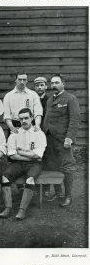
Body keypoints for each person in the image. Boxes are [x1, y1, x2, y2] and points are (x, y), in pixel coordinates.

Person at [0, 108, 47, 220]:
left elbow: (38, 155)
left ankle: (22, 210)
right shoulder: (15, 134)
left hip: (35, 164)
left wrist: (20, 151)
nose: (24, 120)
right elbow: (12, 155)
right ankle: (8, 208)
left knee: (30, 179)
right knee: (5, 177)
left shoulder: (39, 134)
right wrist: (28, 154)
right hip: (19, 163)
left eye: (26, 118)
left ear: (31, 118)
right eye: (21, 119)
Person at [43, 74, 80, 207]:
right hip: (49, 139)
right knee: (52, 166)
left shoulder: (70, 99)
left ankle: (68, 196)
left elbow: (74, 120)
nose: (54, 86)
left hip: (63, 140)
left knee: (66, 167)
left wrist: (69, 138)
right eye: (52, 83)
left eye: (57, 83)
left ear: (63, 84)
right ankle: (58, 193)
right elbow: (47, 119)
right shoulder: (49, 100)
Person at [3, 70, 43, 134]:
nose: (22, 82)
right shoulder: (8, 96)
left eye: (24, 80)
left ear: (27, 81)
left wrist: (37, 125)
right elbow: (7, 116)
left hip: (30, 125)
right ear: (15, 80)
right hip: (15, 125)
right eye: (20, 79)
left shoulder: (33, 95)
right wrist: (12, 128)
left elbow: (38, 112)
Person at [34, 76, 50, 198]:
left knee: (46, 160)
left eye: (41, 85)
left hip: (46, 134)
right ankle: (32, 187)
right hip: (34, 134)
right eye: (37, 85)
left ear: (46, 86)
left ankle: (46, 189)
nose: (39, 87)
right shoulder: (32, 99)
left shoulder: (49, 100)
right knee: (34, 159)